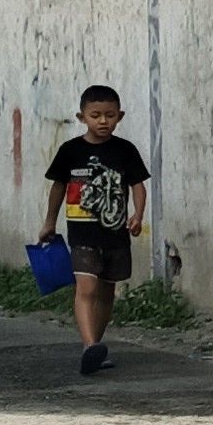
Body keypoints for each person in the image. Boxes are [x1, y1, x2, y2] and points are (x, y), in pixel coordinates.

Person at [37, 87, 148, 377]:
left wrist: (138, 214)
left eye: (110, 116)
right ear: (82, 117)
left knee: (107, 292)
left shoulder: (125, 151)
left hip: (115, 234)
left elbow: (137, 184)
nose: (103, 121)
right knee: (86, 288)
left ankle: (95, 346)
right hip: (82, 235)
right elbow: (58, 187)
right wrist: (49, 221)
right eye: (95, 115)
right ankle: (89, 346)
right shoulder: (70, 151)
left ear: (119, 116)